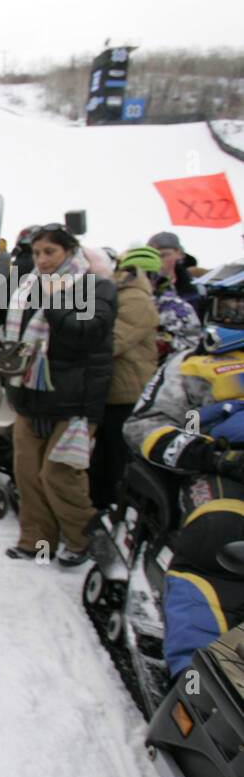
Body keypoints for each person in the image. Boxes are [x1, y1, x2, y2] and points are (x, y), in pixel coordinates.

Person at [124, 261, 244, 678]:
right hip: (217, 470)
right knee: (222, 545)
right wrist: (211, 456)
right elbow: (144, 426)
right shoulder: (192, 362)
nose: (235, 317)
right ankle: (200, 684)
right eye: (232, 307)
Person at [2, 225, 117, 565]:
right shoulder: (26, 287)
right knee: (28, 475)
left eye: (49, 252)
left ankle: (85, 540)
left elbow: (89, 332)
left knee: (60, 475)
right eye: (37, 253)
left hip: (74, 400)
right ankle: (36, 542)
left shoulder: (97, 286)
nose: (42, 260)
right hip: (30, 395)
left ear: (69, 251)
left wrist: (53, 300)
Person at [89, 246, 160, 509]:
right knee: (103, 457)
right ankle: (102, 505)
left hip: (125, 391)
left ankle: (108, 509)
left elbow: (111, 342)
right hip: (113, 388)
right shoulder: (124, 294)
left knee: (113, 458)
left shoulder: (136, 300)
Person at [148, 231, 206, 320]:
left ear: (179, 253)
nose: (158, 261)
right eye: (152, 256)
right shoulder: (137, 284)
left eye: (164, 255)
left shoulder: (196, 290)